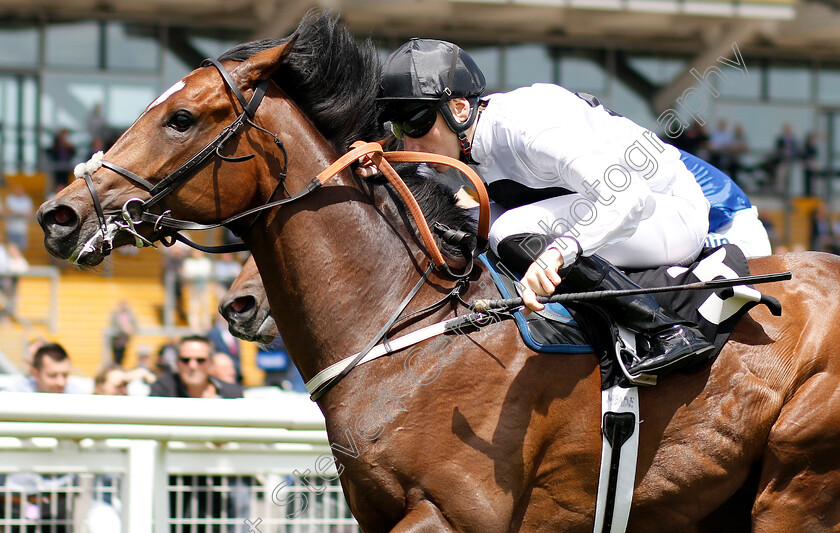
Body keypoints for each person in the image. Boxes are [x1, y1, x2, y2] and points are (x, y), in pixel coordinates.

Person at [372, 38, 715, 378]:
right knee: (472, 225)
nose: (411, 142)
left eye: (417, 124)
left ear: (459, 109)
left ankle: (667, 329)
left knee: (507, 230)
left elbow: (630, 196)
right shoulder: (464, 140)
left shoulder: (530, 127)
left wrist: (557, 254)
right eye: (401, 129)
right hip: (612, 209)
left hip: (668, 213)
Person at [150, 335, 242, 399]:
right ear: (177, 363)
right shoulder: (162, 391)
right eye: (185, 360)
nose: (192, 366)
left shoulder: (232, 394)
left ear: (211, 363)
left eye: (200, 360)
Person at [2, 342, 86, 393]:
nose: (61, 382)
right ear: (36, 374)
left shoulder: (78, 396)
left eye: (65, 375)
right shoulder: (15, 394)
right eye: (52, 376)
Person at [181, 249, 214, 331]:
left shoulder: (206, 262)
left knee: (205, 305)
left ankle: (206, 324)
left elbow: (207, 274)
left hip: (204, 287)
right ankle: (194, 325)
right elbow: (187, 274)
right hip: (192, 287)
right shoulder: (188, 262)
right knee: (193, 306)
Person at [107, 299, 137, 366]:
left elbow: (135, 324)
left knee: (122, 357)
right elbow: (114, 324)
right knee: (116, 357)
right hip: (116, 340)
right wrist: (124, 329)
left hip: (125, 340)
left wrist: (131, 328)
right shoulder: (115, 314)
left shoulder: (130, 314)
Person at [4, 184, 34, 251]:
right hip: (11, 229)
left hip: (22, 230)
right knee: (10, 249)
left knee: (21, 249)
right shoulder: (10, 198)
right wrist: (20, 213)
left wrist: (17, 213)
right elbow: (7, 211)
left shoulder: (26, 199)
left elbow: (29, 213)